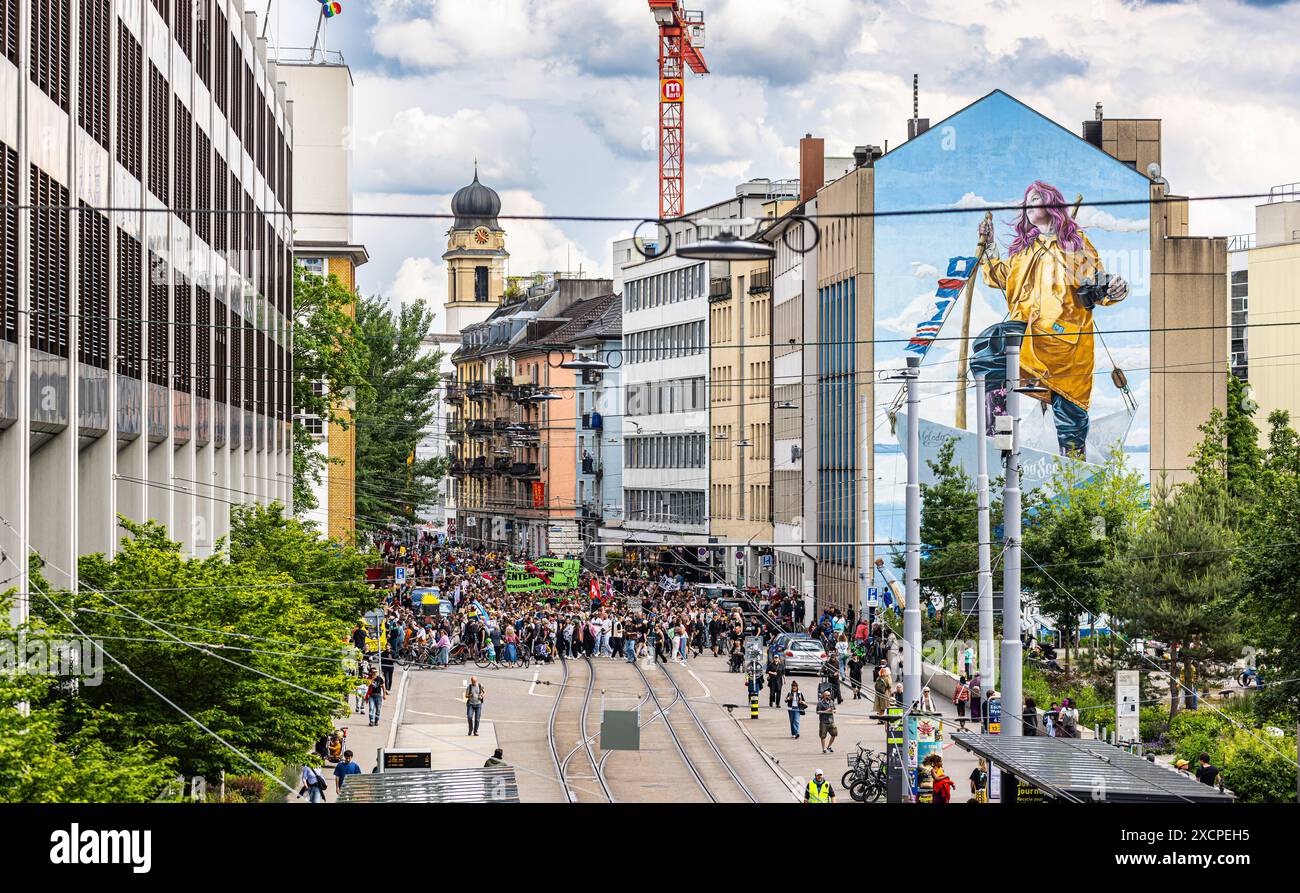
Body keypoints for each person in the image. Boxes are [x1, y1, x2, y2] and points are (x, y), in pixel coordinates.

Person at [973, 181, 1129, 457]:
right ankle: (998, 434)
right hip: (1027, 335)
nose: (1029, 204)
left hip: (1065, 345)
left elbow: (1094, 285)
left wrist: (1113, 288)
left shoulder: (1073, 247)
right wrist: (988, 246)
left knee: (1071, 414)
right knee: (992, 345)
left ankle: (1074, 469)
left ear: (1051, 203)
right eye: (1027, 200)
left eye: (1036, 197)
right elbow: (1000, 276)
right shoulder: (1025, 253)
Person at [816, 689, 838, 754]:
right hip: (823, 722)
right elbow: (817, 712)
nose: (829, 696)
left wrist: (832, 711)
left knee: (834, 734)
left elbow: (835, 710)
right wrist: (826, 711)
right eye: (828, 695)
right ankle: (824, 748)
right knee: (823, 736)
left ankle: (829, 746)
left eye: (829, 695)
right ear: (824, 696)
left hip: (831, 721)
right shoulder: (820, 703)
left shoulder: (831, 702)